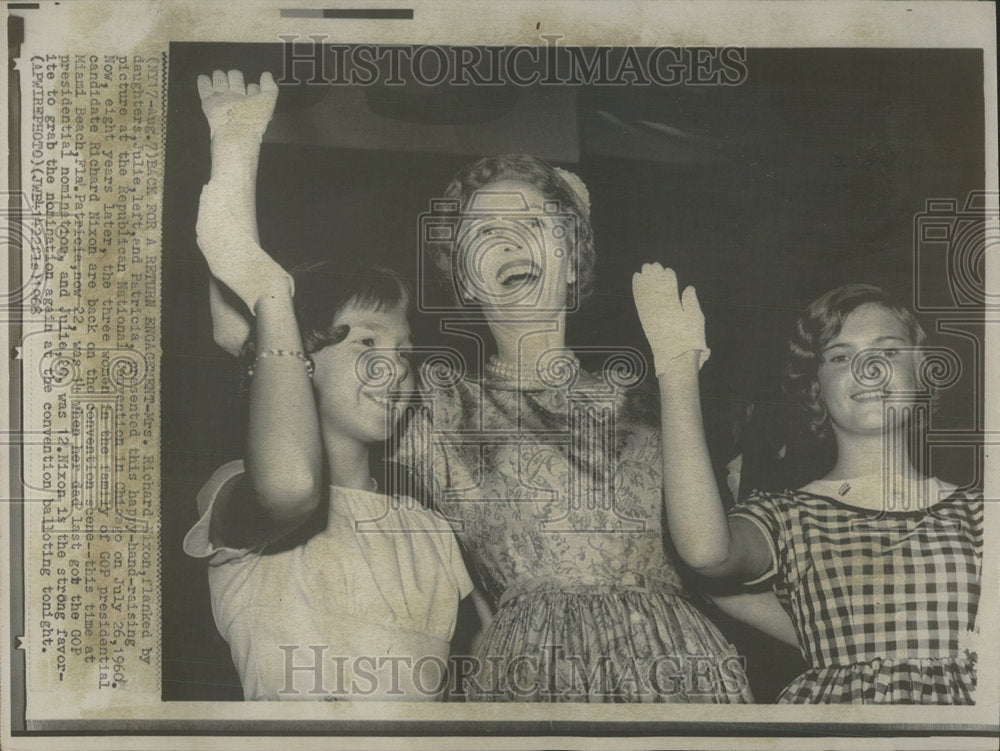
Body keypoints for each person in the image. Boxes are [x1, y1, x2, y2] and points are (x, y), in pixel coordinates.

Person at [384, 155, 755, 703]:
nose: (511, 243)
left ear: (574, 261)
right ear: (463, 279)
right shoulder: (434, 406)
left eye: (534, 224)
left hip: (680, 675)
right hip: (533, 678)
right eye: (486, 232)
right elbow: (304, 367)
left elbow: (710, 565)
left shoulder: (652, 402)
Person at [184, 70, 473, 701]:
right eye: (367, 341)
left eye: (405, 350)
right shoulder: (236, 491)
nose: (395, 366)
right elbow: (290, 485)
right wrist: (266, 289)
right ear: (302, 358)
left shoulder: (430, 532)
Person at [632, 267, 982, 704]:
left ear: (923, 369)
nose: (868, 367)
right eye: (839, 356)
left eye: (888, 350)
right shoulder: (787, 515)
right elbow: (705, 551)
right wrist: (678, 370)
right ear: (817, 387)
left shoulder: (981, 512)